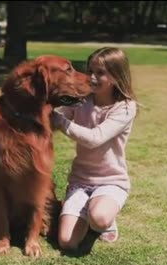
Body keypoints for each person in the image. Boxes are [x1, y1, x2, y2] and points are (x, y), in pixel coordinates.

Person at [50, 47, 138, 252]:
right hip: (81, 181)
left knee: (99, 218)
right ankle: (88, 209)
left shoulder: (125, 107)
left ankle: (104, 219)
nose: (92, 77)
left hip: (111, 181)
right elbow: (54, 116)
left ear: (117, 76)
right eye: (90, 70)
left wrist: (59, 121)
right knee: (66, 242)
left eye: (100, 72)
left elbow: (94, 138)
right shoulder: (81, 101)